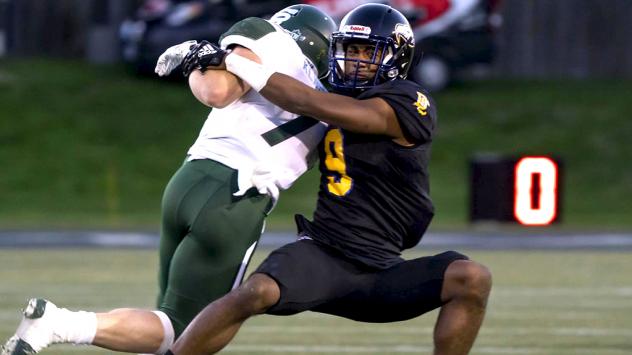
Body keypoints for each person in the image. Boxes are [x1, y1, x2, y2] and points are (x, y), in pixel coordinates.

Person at [1, 5, 336, 355]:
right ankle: (57, 323)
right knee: (185, 333)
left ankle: (58, 324)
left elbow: (213, 89)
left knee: (165, 324)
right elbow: (219, 92)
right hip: (234, 199)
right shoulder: (330, 103)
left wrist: (196, 61)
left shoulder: (266, 39)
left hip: (189, 181)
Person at [165, 3, 492, 355]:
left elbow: (309, 101)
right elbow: (280, 99)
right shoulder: (329, 93)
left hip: (381, 269)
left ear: (397, 58)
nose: (357, 60)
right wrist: (205, 62)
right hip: (324, 254)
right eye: (351, 50)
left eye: (369, 51)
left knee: (471, 277)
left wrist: (229, 58)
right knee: (253, 293)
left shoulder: (409, 99)